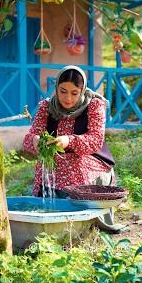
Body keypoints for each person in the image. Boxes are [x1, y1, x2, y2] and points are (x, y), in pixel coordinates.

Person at [23, 65, 125, 231]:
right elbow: (29, 137)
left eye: (74, 93)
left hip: (89, 159)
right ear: (56, 88)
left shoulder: (94, 105)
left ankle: (81, 223)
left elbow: (95, 140)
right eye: (62, 91)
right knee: (44, 167)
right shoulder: (46, 107)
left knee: (74, 167)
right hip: (56, 160)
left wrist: (68, 141)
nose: (68, 98)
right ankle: (49, 220)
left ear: (82, 90)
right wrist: (35, 140)